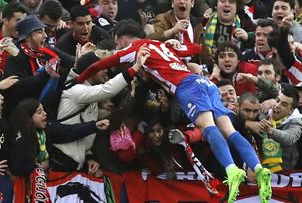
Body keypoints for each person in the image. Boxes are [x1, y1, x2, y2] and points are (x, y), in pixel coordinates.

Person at [74, 21, 272, 203]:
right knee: (230, 131)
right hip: (205, 83)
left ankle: (231, 170)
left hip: (187, 87)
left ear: (123, 39)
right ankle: (258, 167)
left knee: (208, 127)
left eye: (119, 42)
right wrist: (178, 46)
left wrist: (78, 77)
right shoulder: (162, 45)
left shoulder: (134, 49)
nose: (119, 47)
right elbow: (197, 49)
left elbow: (100, 65)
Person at [8, 99, 110, 202]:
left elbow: (68, 131)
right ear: (29, 118)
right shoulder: (19, 137)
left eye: (43, 110)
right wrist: (37, 166)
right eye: (39, 112)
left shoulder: (46, 128)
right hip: (25, 184)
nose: (45, 114)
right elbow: (16, 166)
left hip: (44, 179)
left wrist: (94, 125)